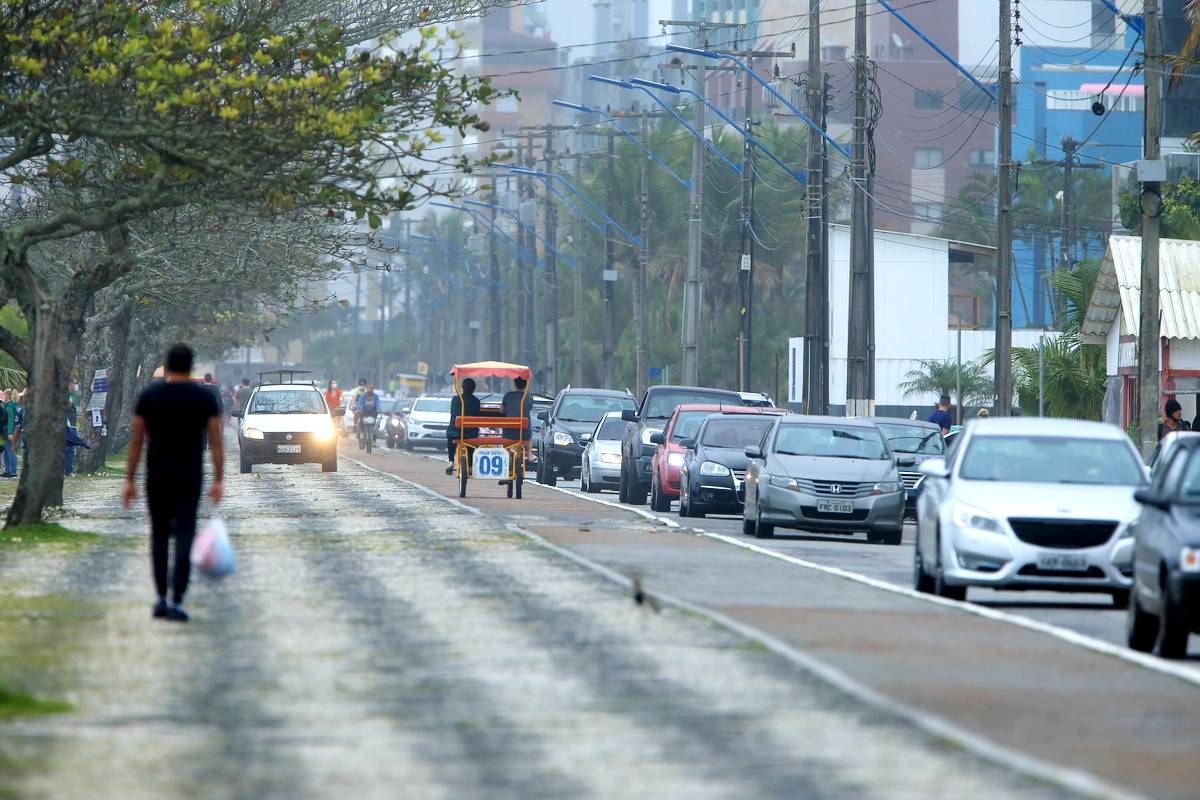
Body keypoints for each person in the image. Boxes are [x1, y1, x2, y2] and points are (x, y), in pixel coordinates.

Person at [122, 344, 223, 624]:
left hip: (157, 476)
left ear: (165, 367)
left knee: (158, 536)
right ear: (191, 367)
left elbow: (136, 442)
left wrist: (128, 480)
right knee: (185, 537)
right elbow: (215, 442)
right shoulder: (204, 398)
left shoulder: (149, 396)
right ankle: (177, 600)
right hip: (189, 476)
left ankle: (160, 598)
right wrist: (219, 479)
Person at [498, 376, 533, 484]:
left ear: (515, 384)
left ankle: (507, 464)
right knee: (529, 429)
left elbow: (502, 411)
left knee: (506, 448)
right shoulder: (528, 397)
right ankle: (529, 454)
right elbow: (529, 408)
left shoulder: (508, 396)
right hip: (524, 433)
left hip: (509, 433)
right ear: (526, 385)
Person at [446, 377, 480, 475]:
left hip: (455, 433)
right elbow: (477, 415)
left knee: (450, 438)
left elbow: (452, 413)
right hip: (471, 434)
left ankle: (451, 461)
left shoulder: (455, 399)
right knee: (471, 443)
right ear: (473, 389)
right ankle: (470, 463)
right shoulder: (476, 401)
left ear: (462, 387)